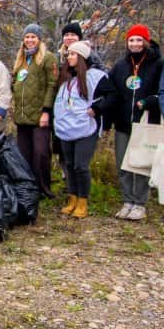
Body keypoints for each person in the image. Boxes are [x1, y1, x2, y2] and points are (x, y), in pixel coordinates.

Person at [107, 24, 161, 220]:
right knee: (123, 163)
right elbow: (110, 90)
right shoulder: (121, 66)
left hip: (146, 122)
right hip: (123, 124)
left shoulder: (157, 64)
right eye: (131, 40)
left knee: (141, 164)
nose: (135, 44)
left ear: (146, 42)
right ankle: (127, 201)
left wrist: (148, 102)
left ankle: (140, 203)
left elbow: (161, 93)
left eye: (139, 40)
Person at [54, 41, 114, 219]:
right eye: (68, 55)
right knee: (70, 165)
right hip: (66, 127)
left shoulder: (96, 76)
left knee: (81, 165)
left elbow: (112, 96)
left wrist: (97, 109)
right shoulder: (66, 77)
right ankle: (72, 198)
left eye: (73, 54)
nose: (69, 57)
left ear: (82, 57)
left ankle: (83, 201)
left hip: (86, 127)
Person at [12, 23, 59, 198]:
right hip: (22, 116)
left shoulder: (48, 58)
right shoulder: (21, 60)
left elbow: (52, 85)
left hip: (40, 115)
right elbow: (15, 83)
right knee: (24, 154)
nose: (30, 40)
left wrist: (46, 110)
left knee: (40, 153)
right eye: (27, 37)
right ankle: (29, 188)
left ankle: (44, 188)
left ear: (39, 39)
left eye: (33, 37)